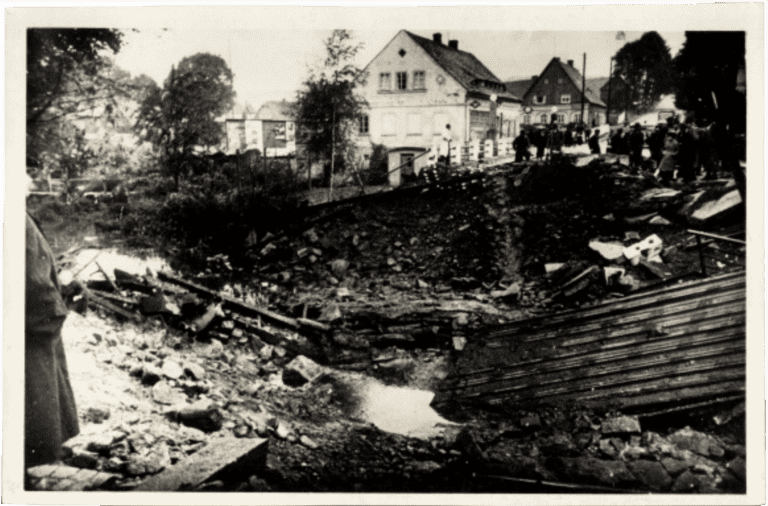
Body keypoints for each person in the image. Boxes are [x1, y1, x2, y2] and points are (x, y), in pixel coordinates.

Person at [25, 194, 79, 467]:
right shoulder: (16, 219)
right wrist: (58, 308)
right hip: (29, 340)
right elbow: (36, 287)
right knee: (40, 408)